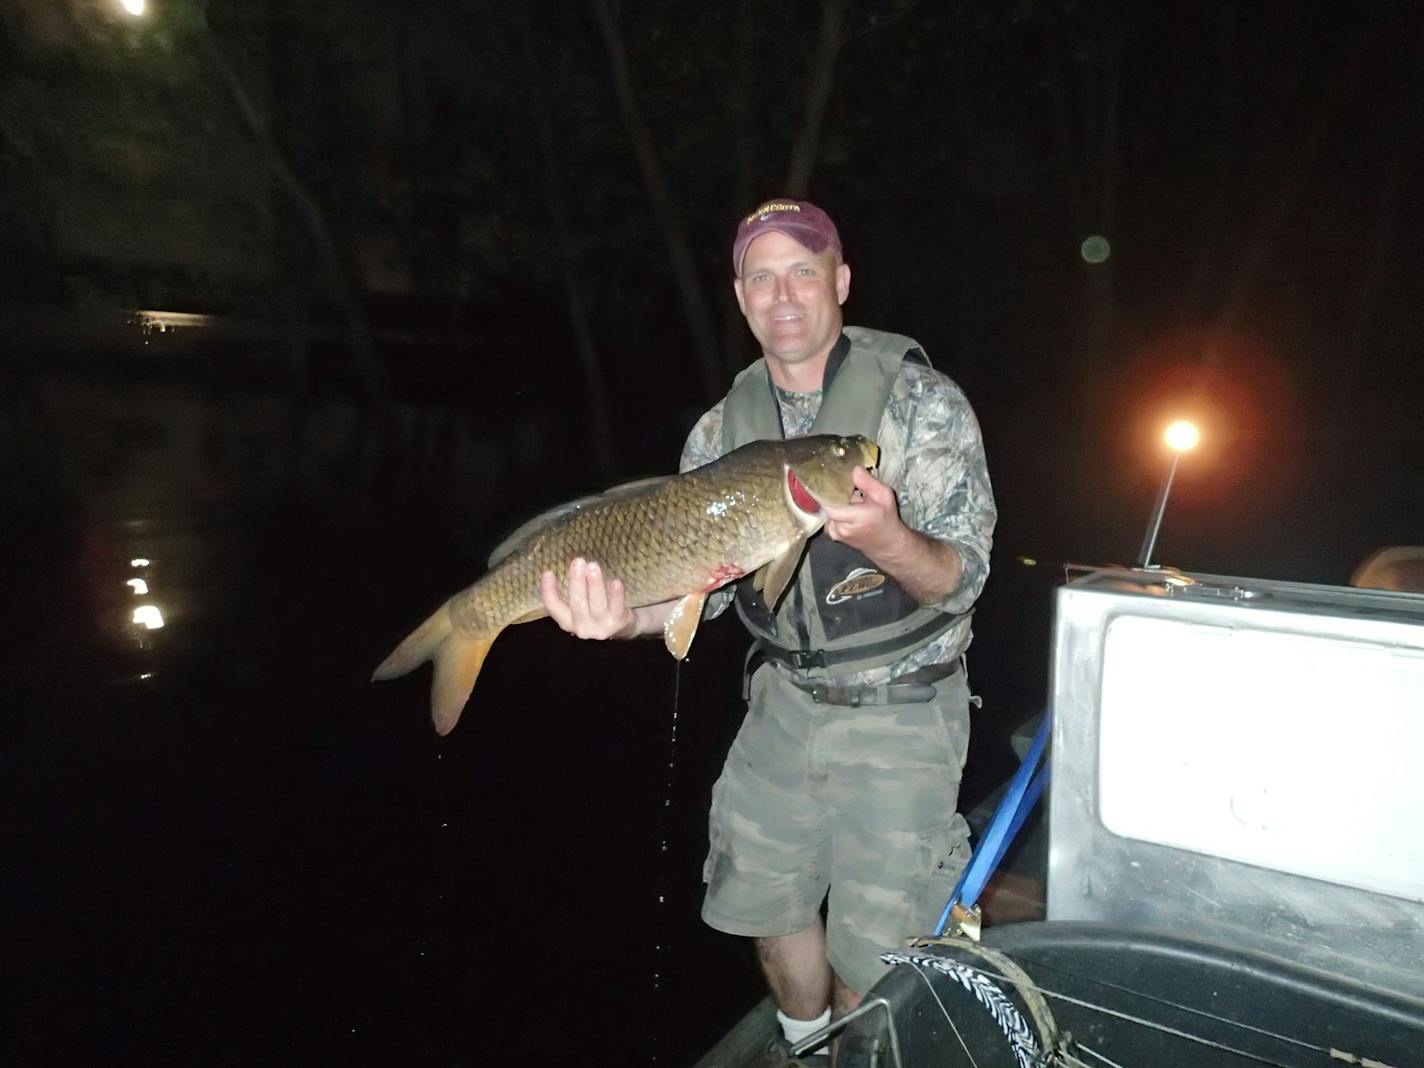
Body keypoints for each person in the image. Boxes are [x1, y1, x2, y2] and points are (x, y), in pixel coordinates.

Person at [539, 199, 996, 1064]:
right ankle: (801, 1046)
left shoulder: (921, 407)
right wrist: (618, 617)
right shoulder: (719, 429)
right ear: (742, 299)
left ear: (840, 282)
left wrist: (892, 539)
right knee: (765, 905)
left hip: (903, 708)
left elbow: (964, 577)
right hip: (781, 704)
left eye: (803, 270)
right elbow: (694, 596)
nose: (782, 293)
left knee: (878, 953)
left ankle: (858, 1051)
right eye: (761, 276)